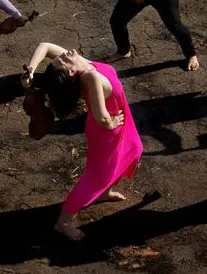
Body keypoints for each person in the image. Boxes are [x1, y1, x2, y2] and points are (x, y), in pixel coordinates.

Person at [22, 43, 143, 240]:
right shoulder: (89, 77)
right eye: (61, 60)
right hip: (108, 131)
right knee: (97, 177)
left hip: (120, 121)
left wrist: (32, 71)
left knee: (134, 150)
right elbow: (101, 117)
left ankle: (105, 192)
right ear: (70, 73)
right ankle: (63, 222)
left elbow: (44, 46)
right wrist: (111, 124)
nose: (64, 54)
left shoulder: (78, 62)